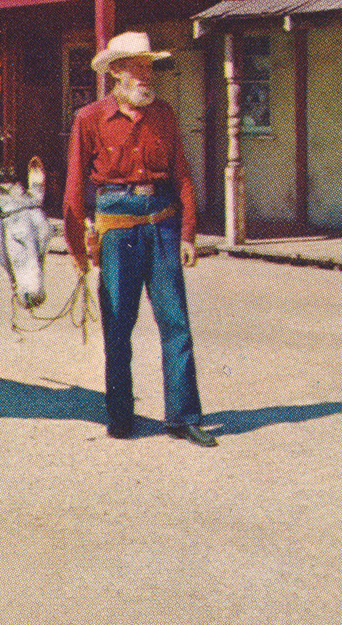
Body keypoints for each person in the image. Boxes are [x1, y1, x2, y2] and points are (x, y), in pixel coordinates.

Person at [63, 32, 217, 447]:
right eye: (138, 67)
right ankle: (120, 416)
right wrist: (77, 246)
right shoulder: (89, 118)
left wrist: (188, 232)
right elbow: (75, 188)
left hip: (163, 222)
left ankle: (183, 417)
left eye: (150, 67)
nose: (147, 75)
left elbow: (183, 174)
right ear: (116, 71)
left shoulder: (164, 114)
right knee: (118, 325)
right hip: (116, 227)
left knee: (176, 322)